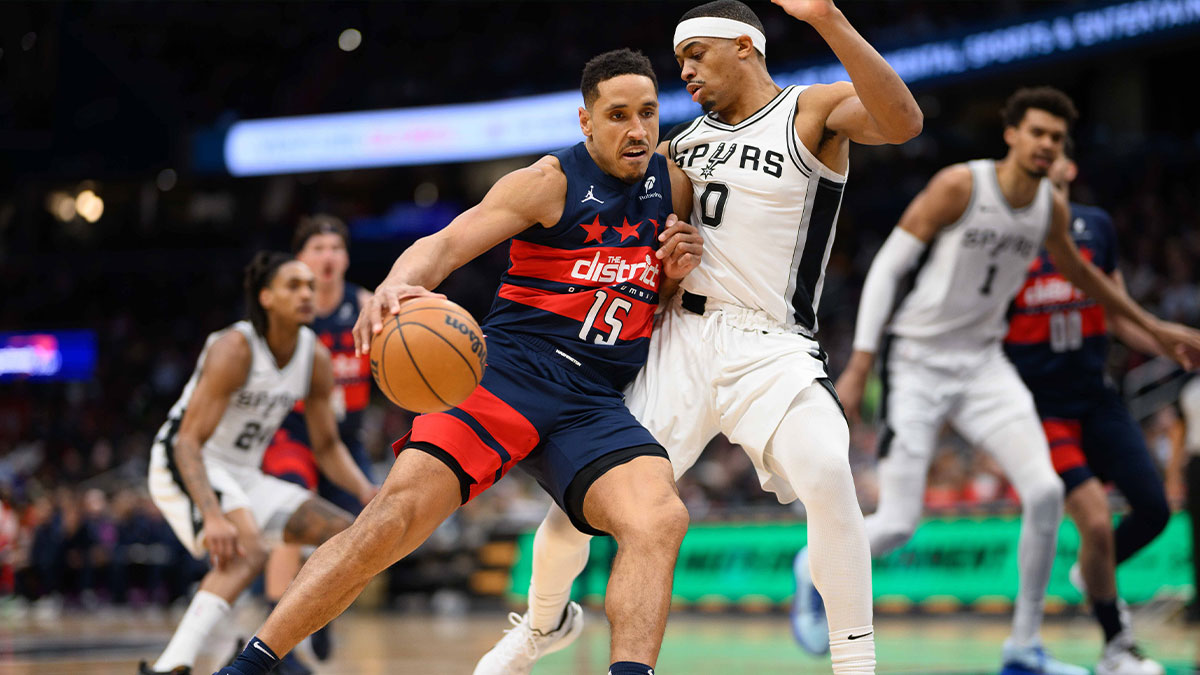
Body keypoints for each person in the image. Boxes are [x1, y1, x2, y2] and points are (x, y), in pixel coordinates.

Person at [216, 48, 702, 675]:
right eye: (617, 116)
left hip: (593, 399)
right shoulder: (549, 182)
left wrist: (677, 274)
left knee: (660, 519)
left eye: (647, 113)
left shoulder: (675, 185)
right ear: (586, 121)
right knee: (390, 522)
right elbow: (443, 245)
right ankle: (251, 666)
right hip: (508, 373)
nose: (636, 130)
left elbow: (656, 292)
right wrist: (395, 283)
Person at [475, 2, 922, 674]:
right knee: (583, 502)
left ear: (745, 47)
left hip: (769, 345)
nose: (683, 70)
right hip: (679, 339)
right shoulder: (679, 148)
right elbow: (633, 249)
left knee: (829, 470)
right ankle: (542, 623)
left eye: (697, 55)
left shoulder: (810, 111)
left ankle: (854, 663)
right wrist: (667, 267)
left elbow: (903, 122)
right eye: (680, 60)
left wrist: (828, 20)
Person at [824, 86, 1200, 675]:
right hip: (920, 361)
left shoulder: (1057, 214)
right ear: (1012, 134)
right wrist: (860, 361)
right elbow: (890, 265)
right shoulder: (960, 185)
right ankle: (810, 566)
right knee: (898, 522)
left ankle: (1024, 649)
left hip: (988, 366)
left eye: (1057, 137)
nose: (1047, 145)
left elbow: (1093, 280)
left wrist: (1156, 325)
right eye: (1038, 133)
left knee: (1050, 494)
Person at [140, 252, 377, 675]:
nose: (307, 293)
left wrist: (367, 492)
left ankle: (283, 642)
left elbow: (327, 445)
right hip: (187, 461)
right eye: (294, 286)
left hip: (244, 473)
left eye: (309, 286)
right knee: (247, 551)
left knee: (345, 534)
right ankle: (170, 666)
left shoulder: (315, 358)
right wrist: (212, 515)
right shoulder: (235, 348)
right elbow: (188, 441)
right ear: (265, 297)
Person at [1004, 145, 1174, 675]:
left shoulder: (1095, 226)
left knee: (1155, 509)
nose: (1042, 155)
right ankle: (1116, 647)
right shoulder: (1005, 235)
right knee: (1096, 526)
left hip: (1098, 397)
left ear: (1068, 168)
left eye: (1053, 149)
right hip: (1043, 409)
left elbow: (1117, 311)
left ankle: (1090, 575)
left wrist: (1167, 342)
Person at [258, 215, 374, 672]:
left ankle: (319, 613)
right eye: (318, 248)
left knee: (354, 535)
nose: (328, 257)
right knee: (290, 521)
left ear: (345, 258)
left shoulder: (366, 304)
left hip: (346, 438)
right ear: (300, 258)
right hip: (293, 434)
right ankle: (275, 648)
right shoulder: (285, 315)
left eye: (336, 248)